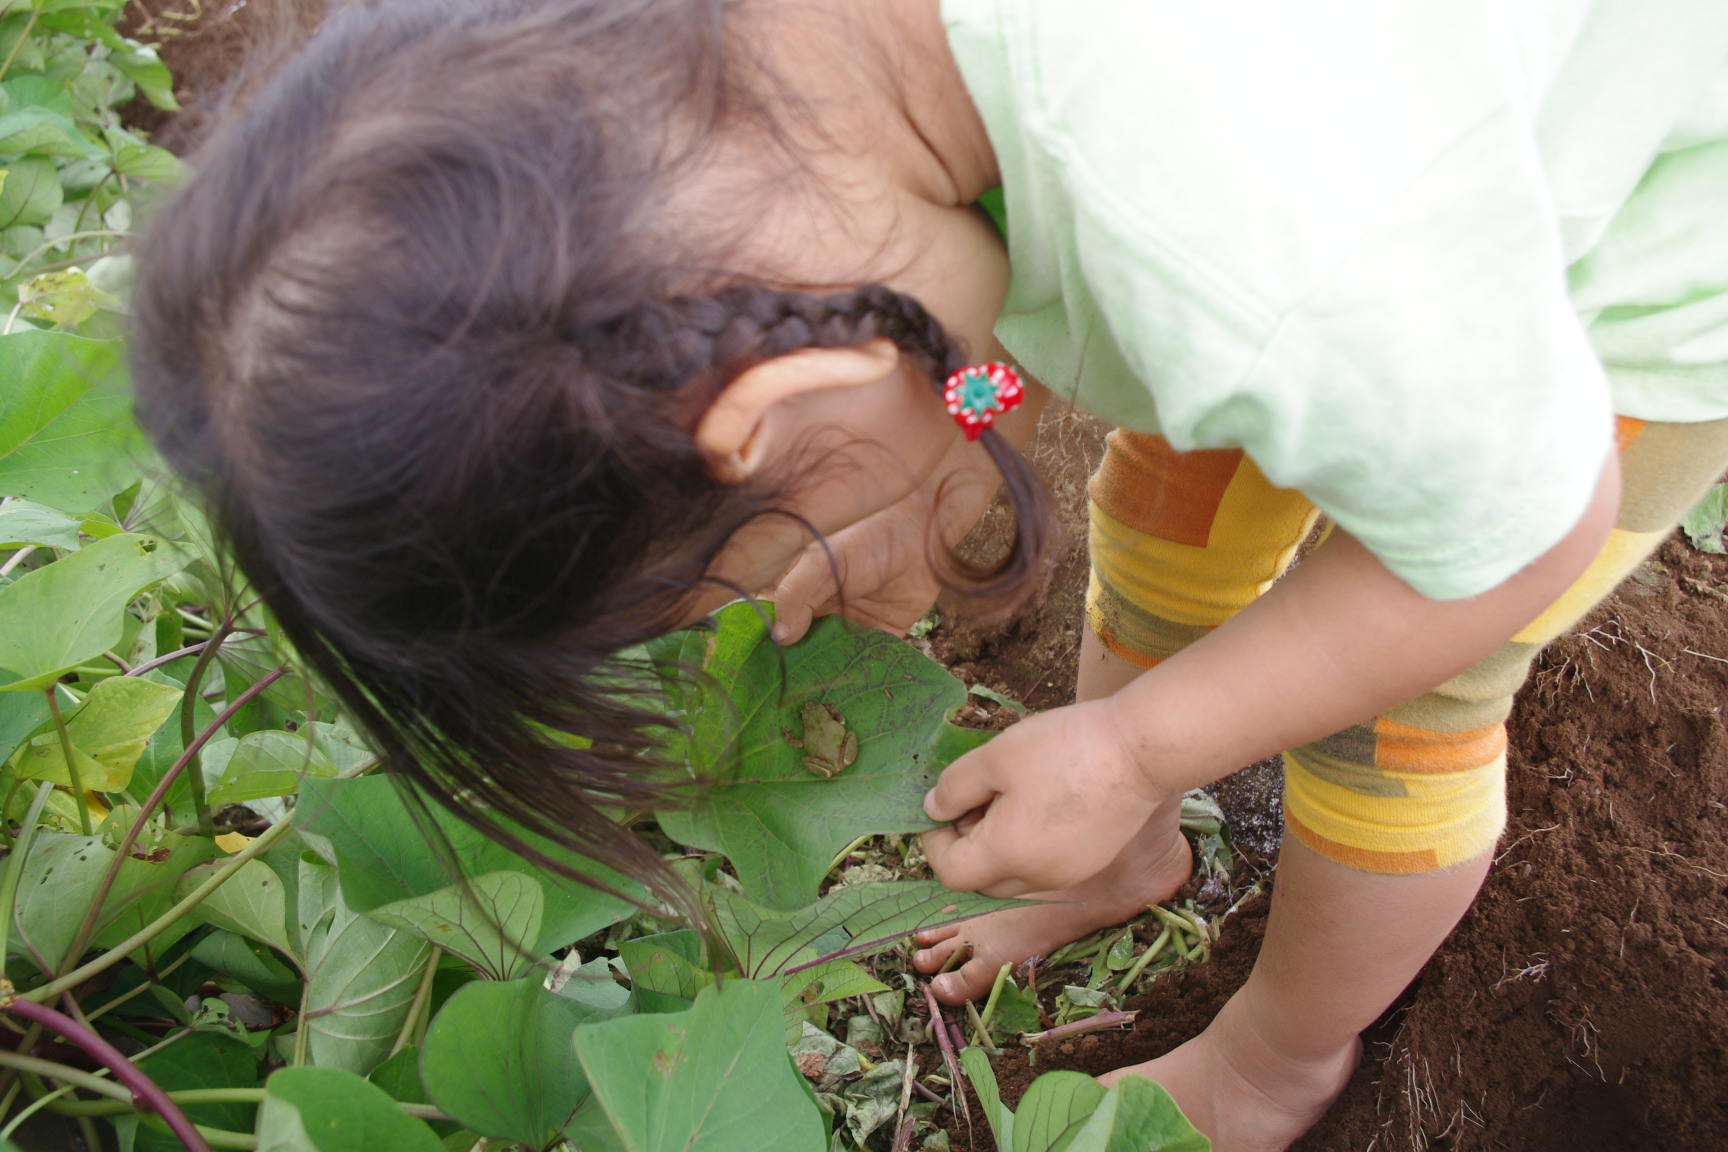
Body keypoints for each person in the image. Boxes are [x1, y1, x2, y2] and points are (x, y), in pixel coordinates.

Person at [128, 0, 1728, 1146]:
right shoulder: (811, 108)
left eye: (728, 582)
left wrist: (1135, 744)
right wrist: (888, 473)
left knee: (1408, 699)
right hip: (1371, 239)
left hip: (1624, 300)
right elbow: (957, 328)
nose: (776, 611)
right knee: (1172, 492)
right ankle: (1126, 860)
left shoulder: (1248, 224)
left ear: (760, 414)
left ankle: (1278, 1055)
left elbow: (1520, 532)